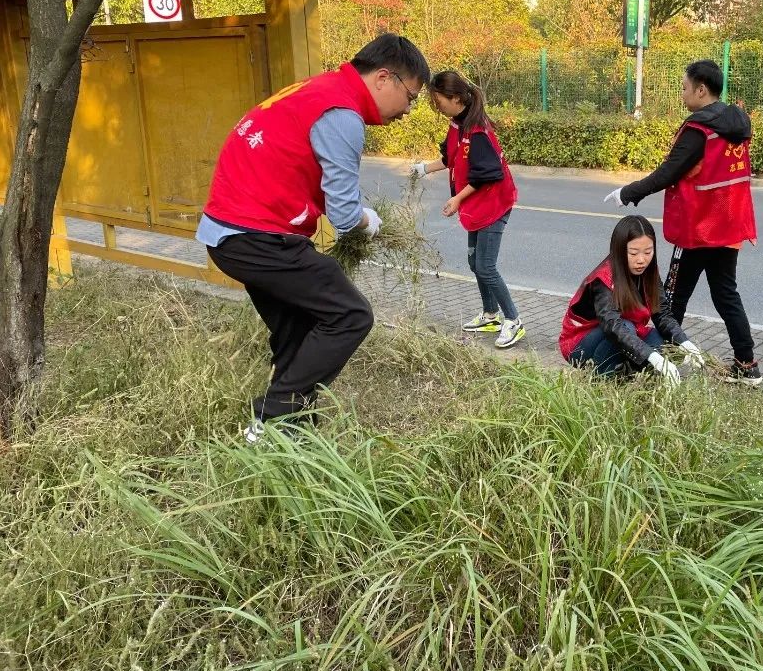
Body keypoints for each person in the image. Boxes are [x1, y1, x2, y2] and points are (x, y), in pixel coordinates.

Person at [197, 33, 430, 442]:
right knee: (350, 315)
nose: (408, 110)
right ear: (383, 78)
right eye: (410, 96)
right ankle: (267, 422)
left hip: (228, 233)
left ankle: (294, 438)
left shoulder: (318, 89)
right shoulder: (342, 113)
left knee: (298, 332)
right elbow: (342, 215)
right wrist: (367, 222)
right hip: (258, 235)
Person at [603, 59, 761, 386]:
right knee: (726, 294)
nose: (683, 93)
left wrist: (628, 192)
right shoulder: (738, 124)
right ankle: (748, 365)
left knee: (672, 299)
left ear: (701, 89)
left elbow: (668, 173)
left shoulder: (699, 129)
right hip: (730, 227)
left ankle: (663, 365)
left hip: (699, 230)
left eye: (685, 87)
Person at [411, 70, 525, 349]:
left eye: (440, 102)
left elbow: (488, 174)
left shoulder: (478, 131)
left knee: (486, 266)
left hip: (493, 205)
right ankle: (490, 315)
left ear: (457, 98)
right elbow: (450, 158)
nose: (438, 107)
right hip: (477, 206)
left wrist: (457, 199)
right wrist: (424, 168)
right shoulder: (457, 124)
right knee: (476, 264)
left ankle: (513, 320)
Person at [559, 215, 705, 383]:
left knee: (662, 341)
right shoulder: (604, 278)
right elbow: (612, 326)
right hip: (580, 343)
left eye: (648, 252)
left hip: (626, 330)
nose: (641, 260)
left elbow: (662, 313)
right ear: (619, 250)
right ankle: (601, 381)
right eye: (633, 253)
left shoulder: (649, 272)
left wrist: (685, 343)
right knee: (627, 329)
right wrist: (652, 357)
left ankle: (626, 375)